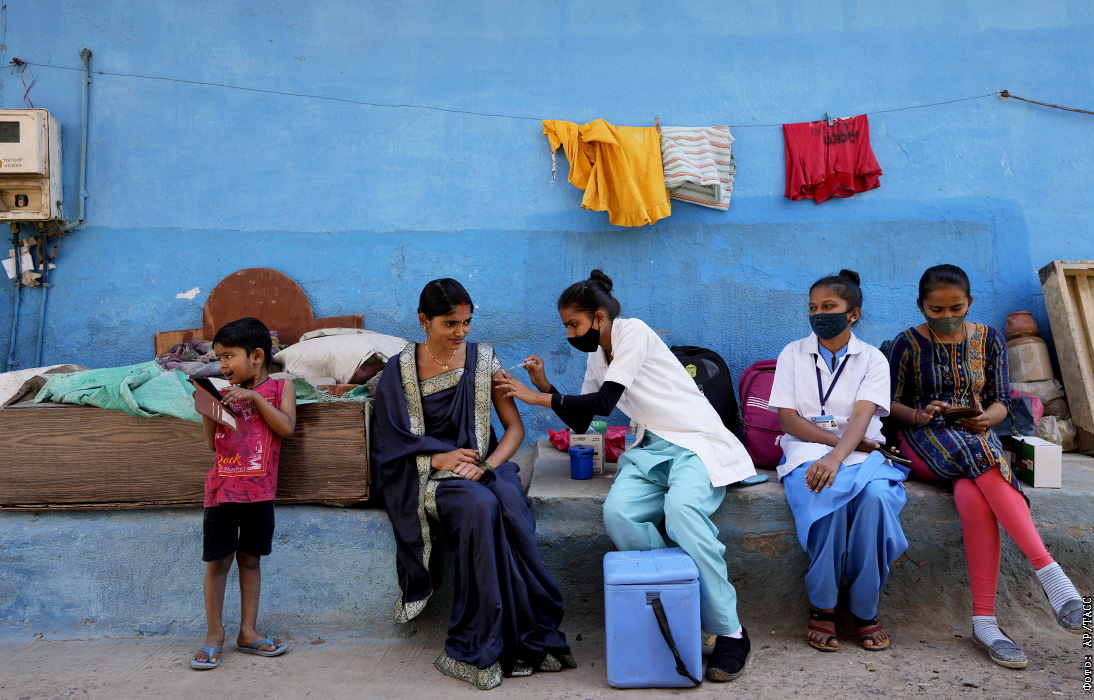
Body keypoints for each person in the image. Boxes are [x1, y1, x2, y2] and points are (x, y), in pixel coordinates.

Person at [496, 269, 756, 683]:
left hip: (696, 443)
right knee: (619, 514)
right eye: (566, 326)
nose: (570, 333)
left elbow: (605, 400)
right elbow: (583, 418)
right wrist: (544, 385)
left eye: (573, 324)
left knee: (682, 511)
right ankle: (679, 602)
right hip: (650, 448)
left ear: (599, 318)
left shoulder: (634, 332)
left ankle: (730, 630)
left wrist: (536, 397)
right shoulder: (596, 355)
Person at [370, 279, 573, 691]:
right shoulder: (399, 369)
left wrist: (486, 466)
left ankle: (528, 634)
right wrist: (437, 458)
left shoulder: (484, 360)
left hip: (484, 466)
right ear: (424, 321)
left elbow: (514, 429)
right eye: (450, 323)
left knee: (507, 501)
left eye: (466, 322)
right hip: (427, 475)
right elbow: (386, 443)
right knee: (481, 506)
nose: (460, 332)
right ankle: (475, 642)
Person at [888, 264, 1085, 669]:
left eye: (956, 308)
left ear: (970, 303)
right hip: (923, 437)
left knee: (973, 494)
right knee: (981, 459)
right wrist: (920, 414)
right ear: (921, 305)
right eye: (936, 310)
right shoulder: (906, 344)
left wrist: (986, 419)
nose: (946, 316)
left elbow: (1001, 401)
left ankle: (985, 623)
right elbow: (888, 405)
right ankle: (1051, 575)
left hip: (976, 437)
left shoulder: (991, 339)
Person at [768, 270, 908, 653]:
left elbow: (862, 415)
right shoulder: (792, 353)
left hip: (863, 453)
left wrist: (840, 454)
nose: (819, 314)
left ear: (853, 314)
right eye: (813, 308)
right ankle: (823, 605)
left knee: (876, 501)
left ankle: (865, 607)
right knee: (825, 498)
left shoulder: (873, 359)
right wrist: (835, 450)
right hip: (808, 448)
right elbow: (789, 420)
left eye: (829, 306)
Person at [191, 317, 296, 670]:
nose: (222, 365)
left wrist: (253, 397)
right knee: (218, 562)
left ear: (256, 356)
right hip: (221, 493)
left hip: (260, 494)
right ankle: (214, 635)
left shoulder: (281, 388)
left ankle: (248, 632)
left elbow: (286, 428)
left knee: (251, 560)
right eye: (219, 357)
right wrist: (209, 408)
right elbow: (211, 445)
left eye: (228, 356)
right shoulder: (221, 391)